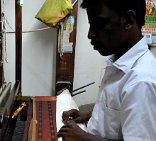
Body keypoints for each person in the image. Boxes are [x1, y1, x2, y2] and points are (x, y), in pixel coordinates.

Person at [57, 0, 156, 140]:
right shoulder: (119, 62)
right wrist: (91, 114)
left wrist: (83, 138)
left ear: (128, 20)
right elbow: (119, 105)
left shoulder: (141, 82)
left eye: (99, 24)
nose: (90, 34)